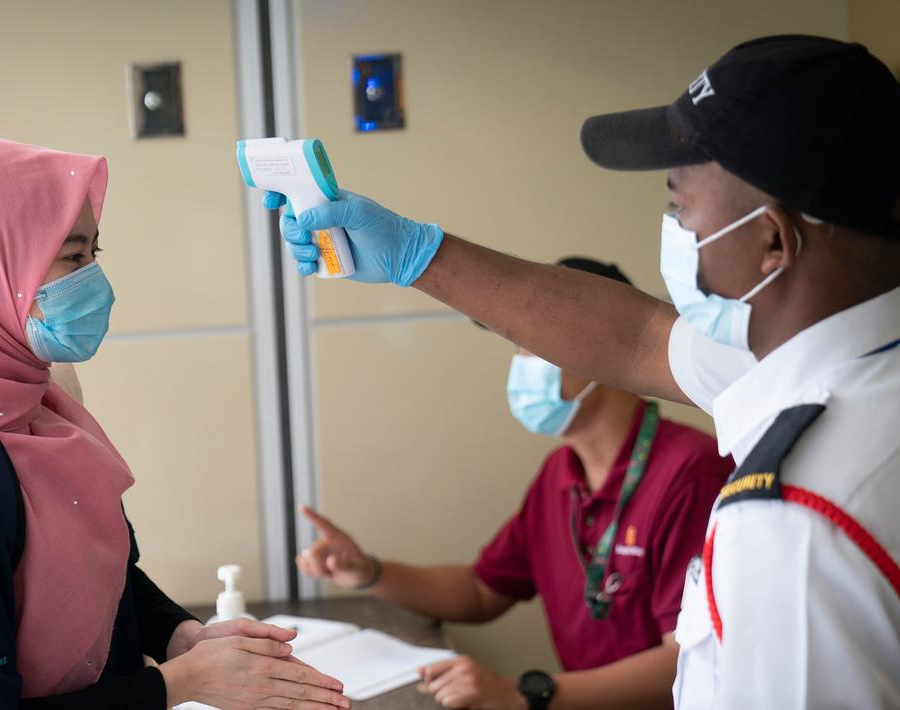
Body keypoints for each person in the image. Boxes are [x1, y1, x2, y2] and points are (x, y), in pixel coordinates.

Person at [267, 35, 900, 708]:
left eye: (679, 207)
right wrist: (416, 256)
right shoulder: (824, 360)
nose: (673, 230)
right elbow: (632, 336)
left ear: (772, 240)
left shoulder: (794, 519)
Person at [0, 136, 351, 709]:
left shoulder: (21, 407)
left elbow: (91, 572)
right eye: (71, 257)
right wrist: (180, 684)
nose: (91, 280)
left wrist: (181, 637)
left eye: (93, 254)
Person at [296, 257, 730, 710]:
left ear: (601, 346)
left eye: (530, 341)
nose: (520, 361)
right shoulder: (561, 474)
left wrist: (524, 694)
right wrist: (368, 571)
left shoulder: (691, 473)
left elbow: (687, 661)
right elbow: (482, 592)